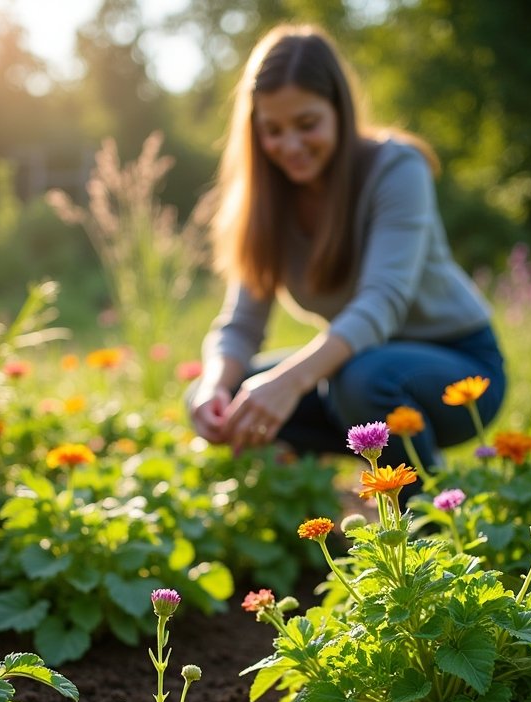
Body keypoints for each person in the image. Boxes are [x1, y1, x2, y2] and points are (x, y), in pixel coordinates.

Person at [188, 23, 506, 483]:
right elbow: (240, 325)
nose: (290, 146)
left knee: (360, 378)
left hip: (460, 369)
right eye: (272, 130)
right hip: (356, 370)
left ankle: (429, 508)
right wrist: (216, 384)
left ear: (340, 109)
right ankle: (301, 498)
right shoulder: (265, 201)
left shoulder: (396, 167)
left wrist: (292, 381)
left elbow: (382, 302)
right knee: (218, 393)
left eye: (307, 124)